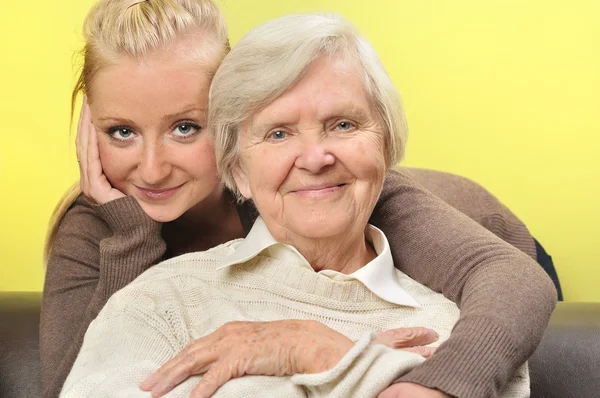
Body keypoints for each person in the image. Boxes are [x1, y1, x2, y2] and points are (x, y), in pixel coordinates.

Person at [41, 1, 556, 397]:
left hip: (500, 245)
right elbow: (80, 378)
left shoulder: (335, 188)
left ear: (233, 119)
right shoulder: (100, 230)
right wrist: (129, 233)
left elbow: (510, 277)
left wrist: (366, 366)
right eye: (121, 132)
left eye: (184, 127)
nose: (151, 169)